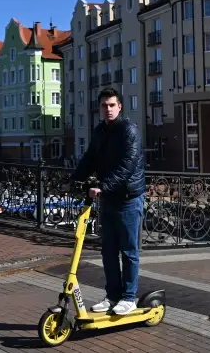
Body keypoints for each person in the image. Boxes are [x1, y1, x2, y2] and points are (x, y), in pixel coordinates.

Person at [63, 87, 145, 315]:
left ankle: (129, 298)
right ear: (99, 108)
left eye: (112, 105)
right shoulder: (100, 131)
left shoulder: (129, 131)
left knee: (128, 251)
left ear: (120, 107)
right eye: (104, 105)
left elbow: (126, 166)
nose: (108, 109)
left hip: (128, 198)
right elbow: (90, 158)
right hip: (108, 198)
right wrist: (73, 179)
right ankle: (112, 296)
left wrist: (103, 186)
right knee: (108, 251)